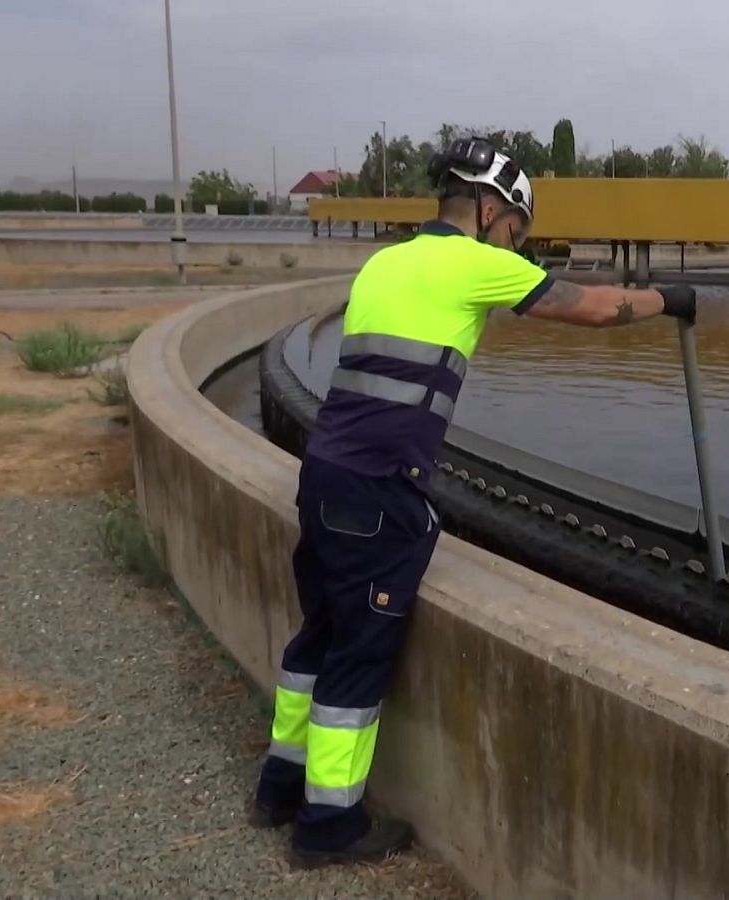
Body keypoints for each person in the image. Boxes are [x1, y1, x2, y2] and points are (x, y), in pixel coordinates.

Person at [249, 138, 696, 869]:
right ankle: (328, 826)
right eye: (516, 228)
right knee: (358, 659)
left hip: (325, 470)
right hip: (380, 489)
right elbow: (588, 307)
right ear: (490, 210)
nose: (518, 244)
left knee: (316, 637)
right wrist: (664, 297)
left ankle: (278, 788)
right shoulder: (478, 262)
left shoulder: (386, 261)